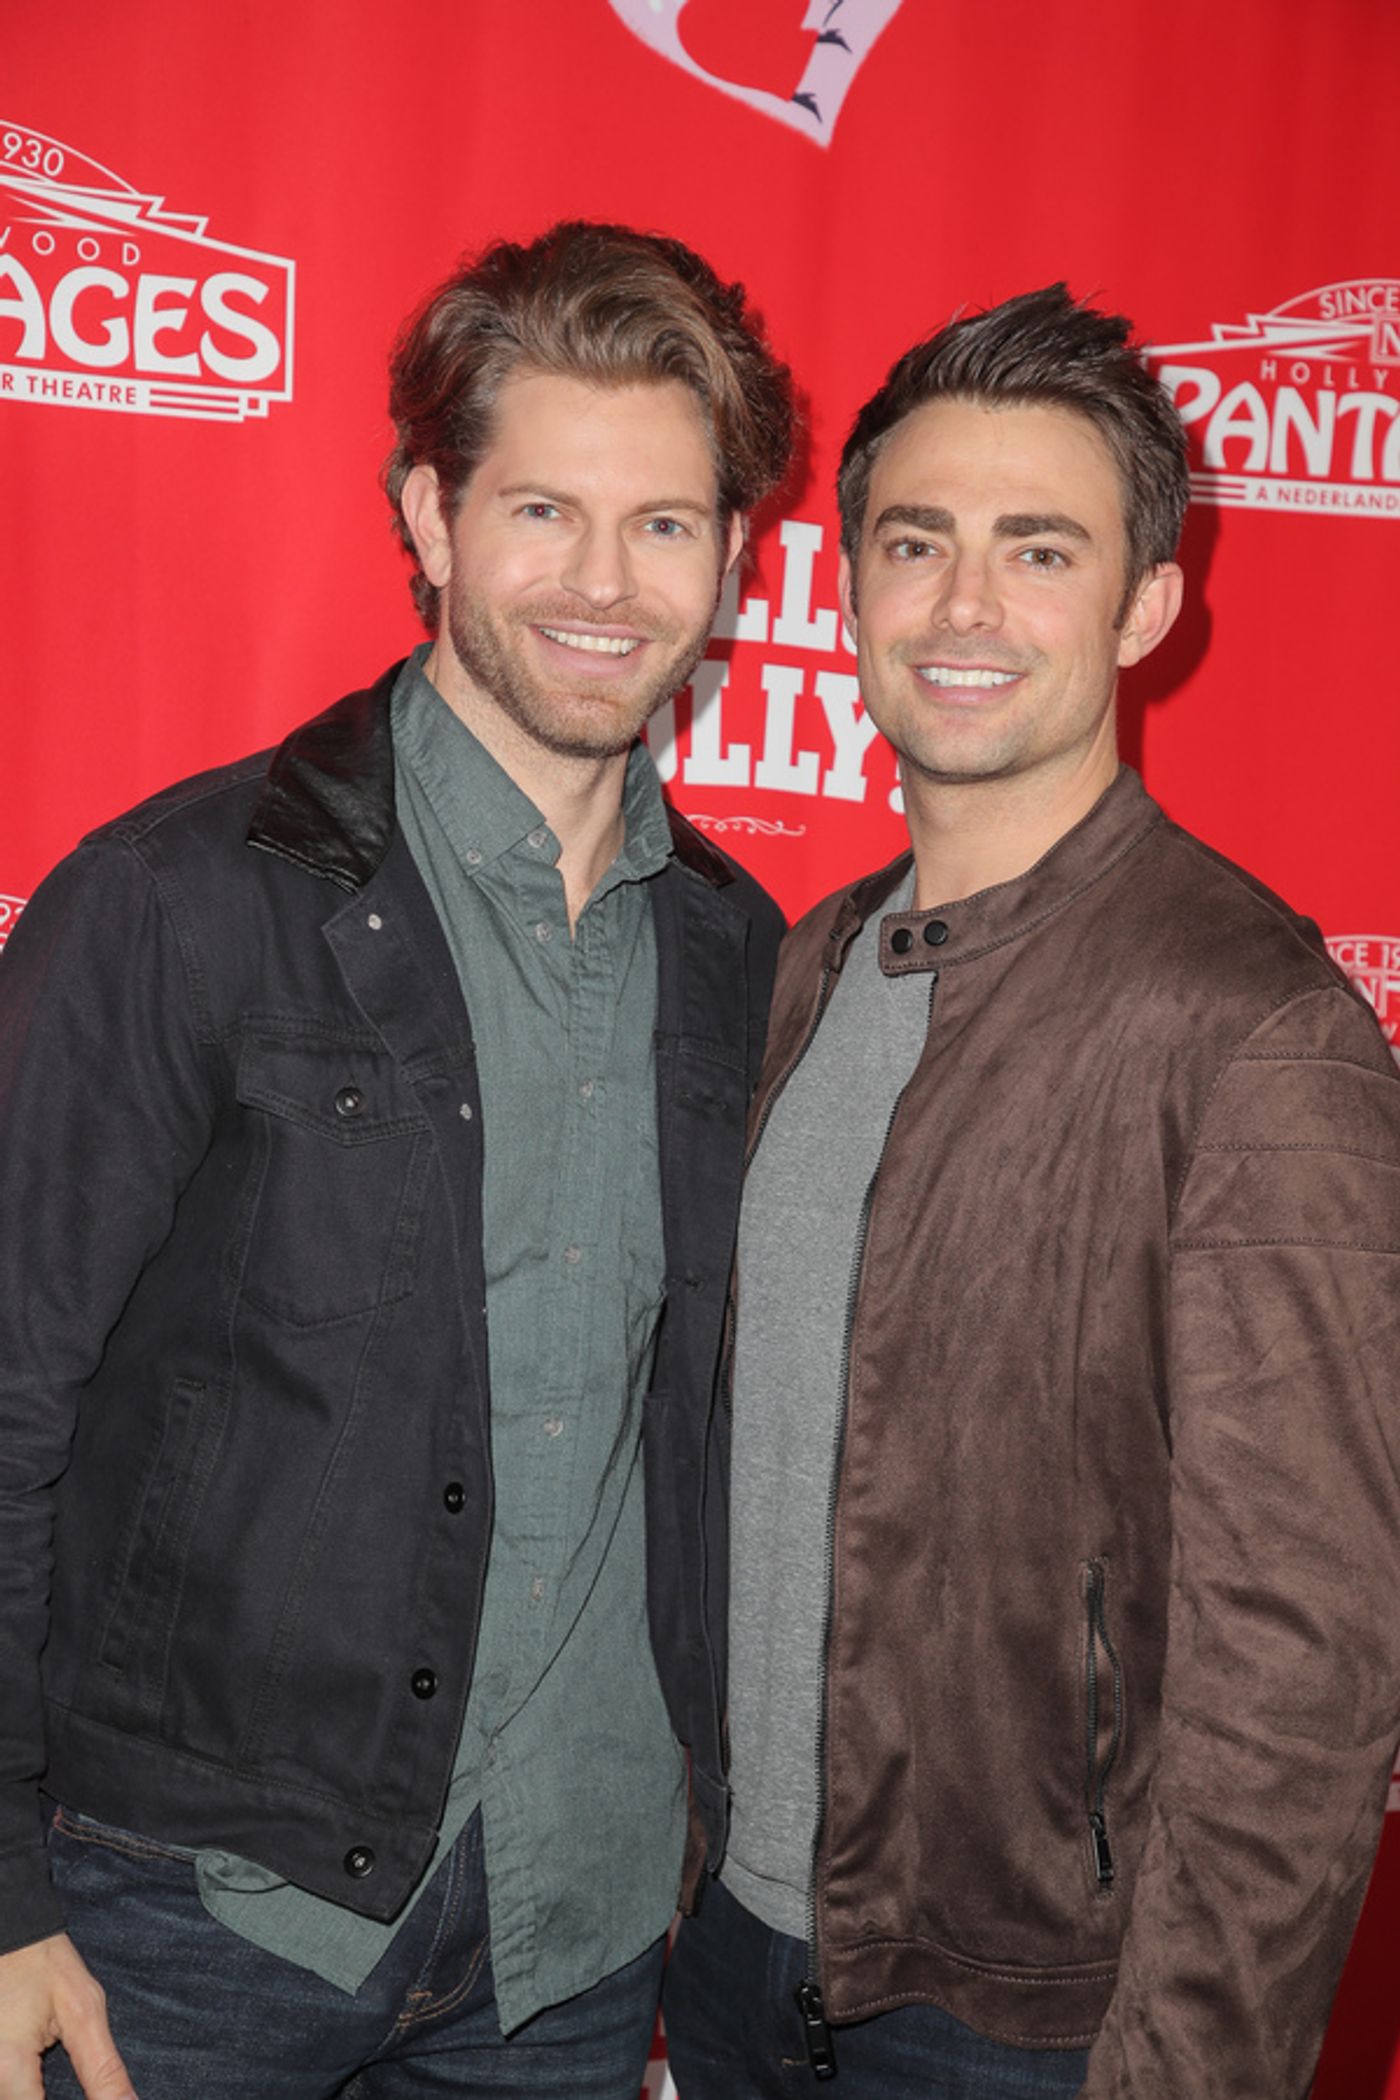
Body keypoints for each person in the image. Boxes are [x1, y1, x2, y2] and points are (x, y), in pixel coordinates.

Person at [0, 220, 791, 2100]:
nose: (604, 584)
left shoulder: (747, 957)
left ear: (738, 561)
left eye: (666, 525)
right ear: (428, 517)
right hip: (187, 1923)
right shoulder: (182, 906)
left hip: (575, 1944)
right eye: (541, 512)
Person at [662, 284, 1400, 2098]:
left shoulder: (1257, 1030)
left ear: (1149, 605)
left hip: (1035, 2025)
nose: (966, 607)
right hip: (736, 1963)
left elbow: (1306, 1665)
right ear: (844, 593)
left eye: (1039, 549)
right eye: (918, 545)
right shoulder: (812, 960)